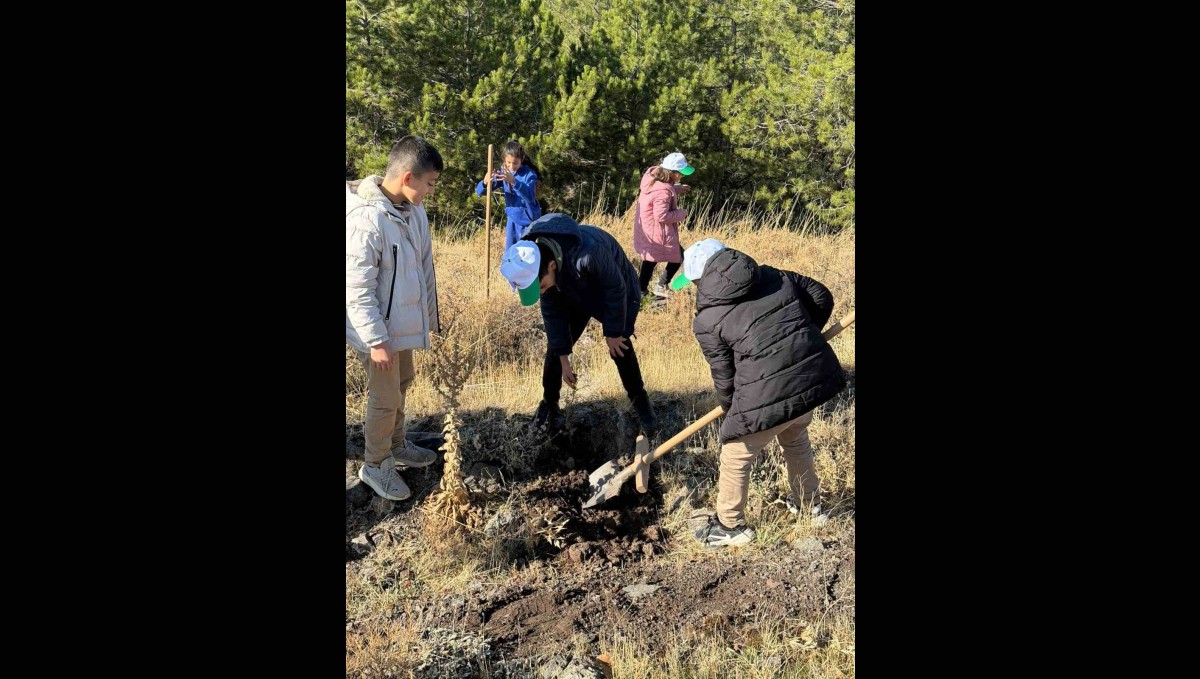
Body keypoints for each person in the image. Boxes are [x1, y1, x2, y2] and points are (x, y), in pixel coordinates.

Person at [673, 239, 847, 548]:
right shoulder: (773, 275)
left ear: (704, 277)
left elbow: (724, 375)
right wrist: (801, 339)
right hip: (809, 377)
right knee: (795, 437)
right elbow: (821, 295)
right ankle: (811, 507)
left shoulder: (707, 320)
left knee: (736, 453)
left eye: (695, 280)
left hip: (768, 389)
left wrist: (733, 411)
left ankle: (730, 526)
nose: (695, 286)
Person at [498, 213, 657, 438]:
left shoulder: (589, 254)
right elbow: (554, 319)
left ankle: (642, 406)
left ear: (552, 265)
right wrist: (564, 359)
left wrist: (612, 333)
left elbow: (615, 289)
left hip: (615, 288)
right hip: (571, 287)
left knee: (620, 346)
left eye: (541, 286)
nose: (541, 291)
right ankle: (550, 405)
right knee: (555, 348)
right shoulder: (543, 269)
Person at [346, 135, 444, 501]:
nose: (431, 191)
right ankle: (375, 465)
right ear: (407, 178)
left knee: (404, 380)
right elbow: (356, 289)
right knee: (385, 398)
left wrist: (427, 321)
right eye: (430, 184)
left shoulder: (412, 210)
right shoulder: (366, 220)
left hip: (400, 325)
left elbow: (421, 269)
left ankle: (398, 444)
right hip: (375, 333)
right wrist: (376, 341)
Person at [632, 151, 694, 298]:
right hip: (657, 230)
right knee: (678, 256)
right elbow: (661, 216)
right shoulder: (664, 192)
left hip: (648, 228)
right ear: (672, 172)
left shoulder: (653, 180)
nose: (682, 176)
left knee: (650, 260)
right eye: (680, 173)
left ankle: (641, 290)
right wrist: (682, 214)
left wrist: (677, 189)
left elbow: (659, 192)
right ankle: (661, 285)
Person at [476, 140, 543, 250]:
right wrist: (485, 182)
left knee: (525, 255)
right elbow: (480, 192)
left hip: (528, 222)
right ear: (504, 160)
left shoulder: (529, 175)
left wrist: (514, 182)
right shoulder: (504, 172)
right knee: (510, 255)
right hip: (512, 219)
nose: (511, 166)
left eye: (515, 163)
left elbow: (530, 197)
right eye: (508, 162)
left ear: (522, 159)